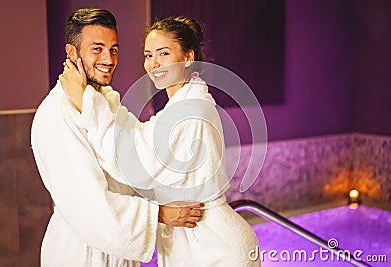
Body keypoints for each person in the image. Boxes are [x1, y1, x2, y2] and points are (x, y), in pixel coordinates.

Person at [61, 16, 260, 266]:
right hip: (196, 240)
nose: (153, 64)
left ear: (188, 58)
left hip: (215, 247)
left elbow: (131, 161)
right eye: (148, 55)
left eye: (163, 53)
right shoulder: (183, 105)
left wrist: (84, 99)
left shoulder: (189, 109)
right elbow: (138, 135)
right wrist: (105, 98)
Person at [31, 8, 204, 267]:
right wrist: (160, 214)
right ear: (71, 52)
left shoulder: (105, 101)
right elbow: (88, 206)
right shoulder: (57, 115)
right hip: (81, 256)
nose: (109, 59)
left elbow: (136, 154)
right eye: (97, 49)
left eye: (113, 49)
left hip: (118, 255)